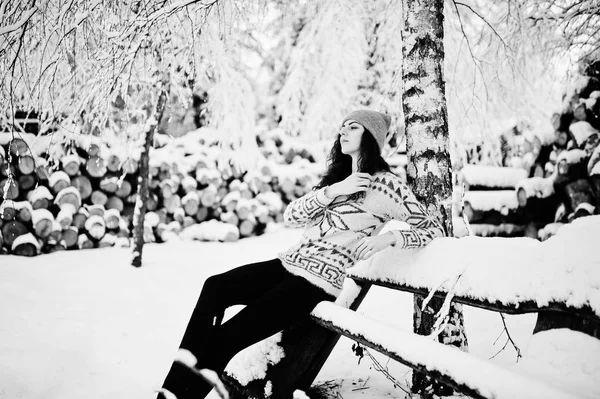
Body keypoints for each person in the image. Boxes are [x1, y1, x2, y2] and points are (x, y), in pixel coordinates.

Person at [159, 110, 445, 399]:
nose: (343, 132)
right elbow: (291, 216)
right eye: (342, 126)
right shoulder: (337, 179)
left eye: (353, 127)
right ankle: (173, 388)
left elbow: (432, 229)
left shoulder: (386, 185)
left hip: (314, 285)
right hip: (286, 266)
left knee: (225, 340)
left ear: (370, 137)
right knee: (214, 286)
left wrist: (389, 238)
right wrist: (333, 191)